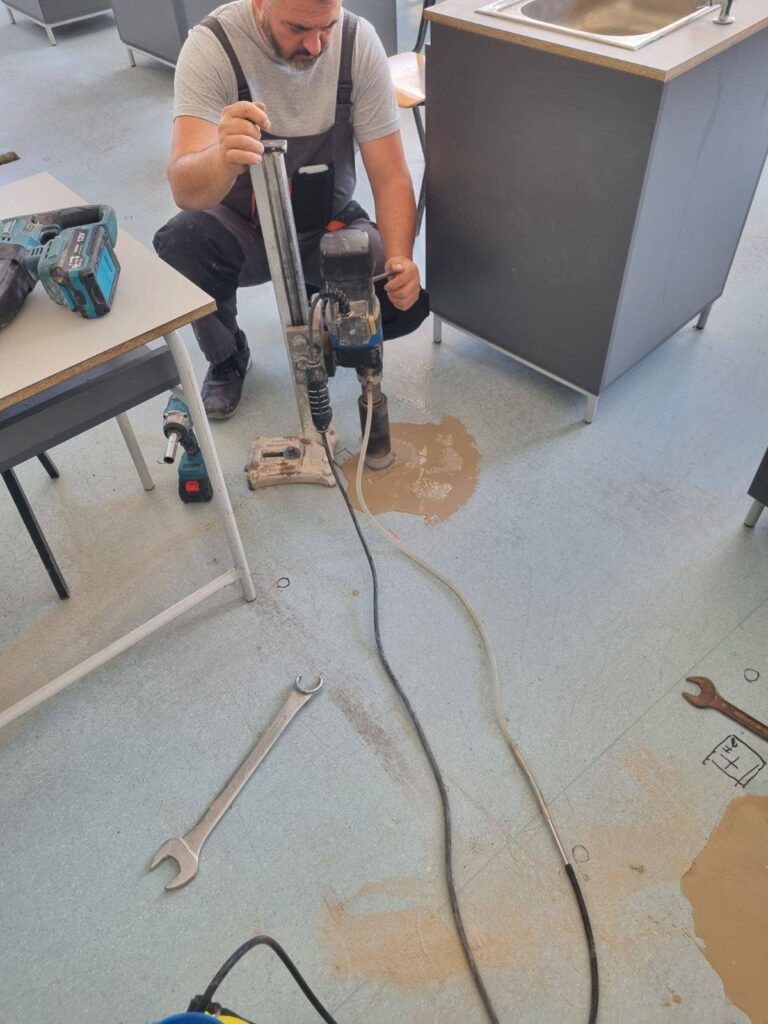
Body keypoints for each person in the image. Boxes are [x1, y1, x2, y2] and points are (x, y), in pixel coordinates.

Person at [154, 0, 428, 419]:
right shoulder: (214, 47)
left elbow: (391, 176)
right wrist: (222, 158)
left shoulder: (357, 43)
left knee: (400, 301)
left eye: (326, 27)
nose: (315, 46)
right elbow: (185, 190)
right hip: (243, 229)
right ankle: (228, 355)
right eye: (298, 28)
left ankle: (331, 329)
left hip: (327, 227)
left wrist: (400, 261)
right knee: (182, 242)